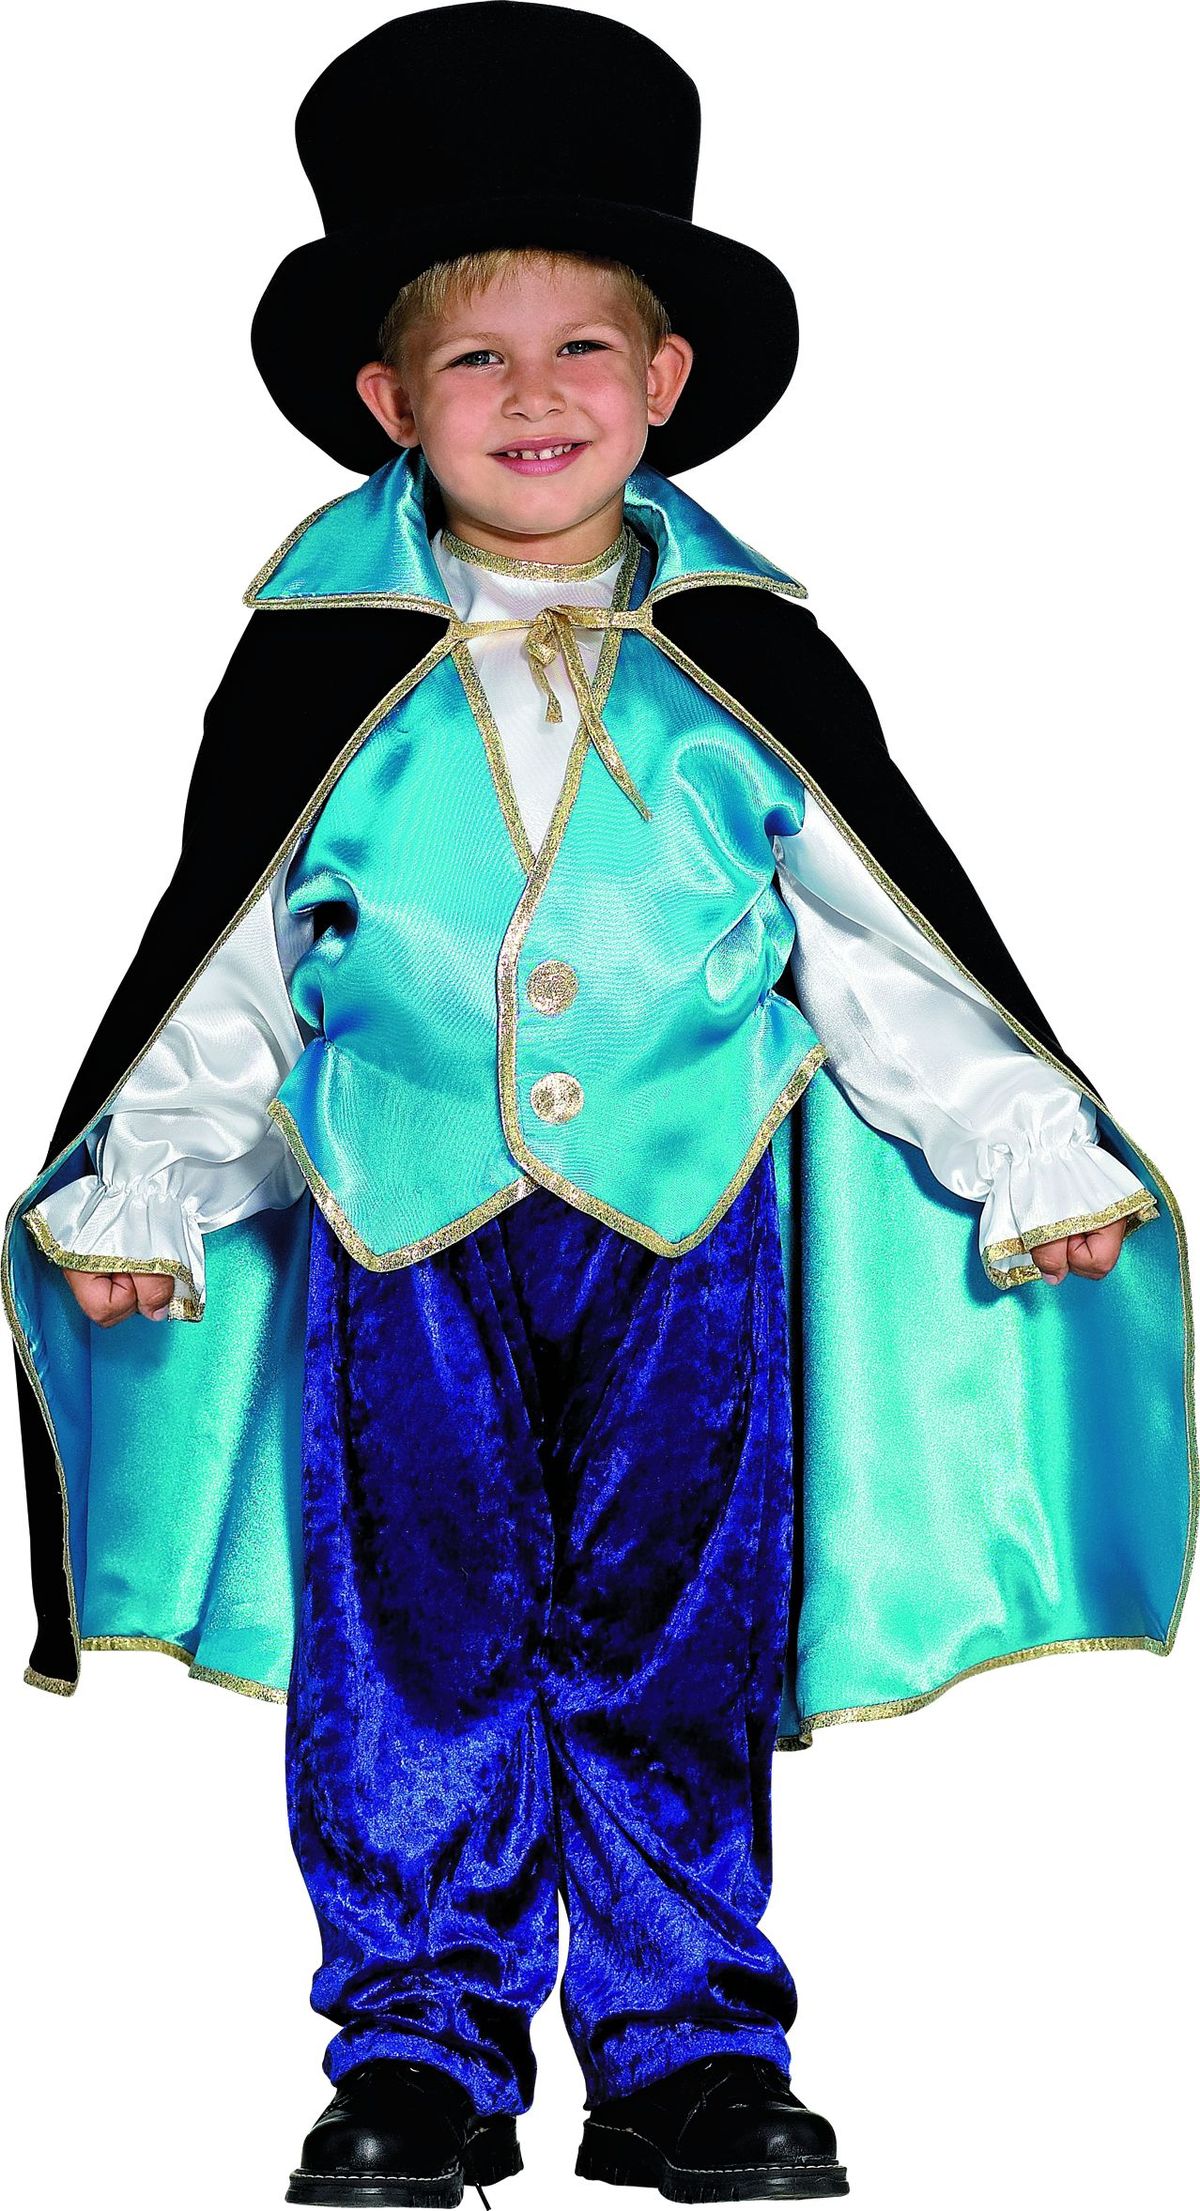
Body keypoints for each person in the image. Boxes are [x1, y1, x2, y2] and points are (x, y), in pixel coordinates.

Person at [3, 8, 1193, 2207]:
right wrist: (147, 1174)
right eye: (475, 357)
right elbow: (242, 959)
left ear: (668, 384)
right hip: (403, 1232)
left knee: (676, 1636)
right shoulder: (318, 669)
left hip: (691, 1230)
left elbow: (872, 941)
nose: (532, 394)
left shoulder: (746, 661)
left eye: (582, 348)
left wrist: (1027, 1144)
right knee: (416, 1642)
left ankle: (687, 2050)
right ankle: (420, 2045)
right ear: (390, 403)